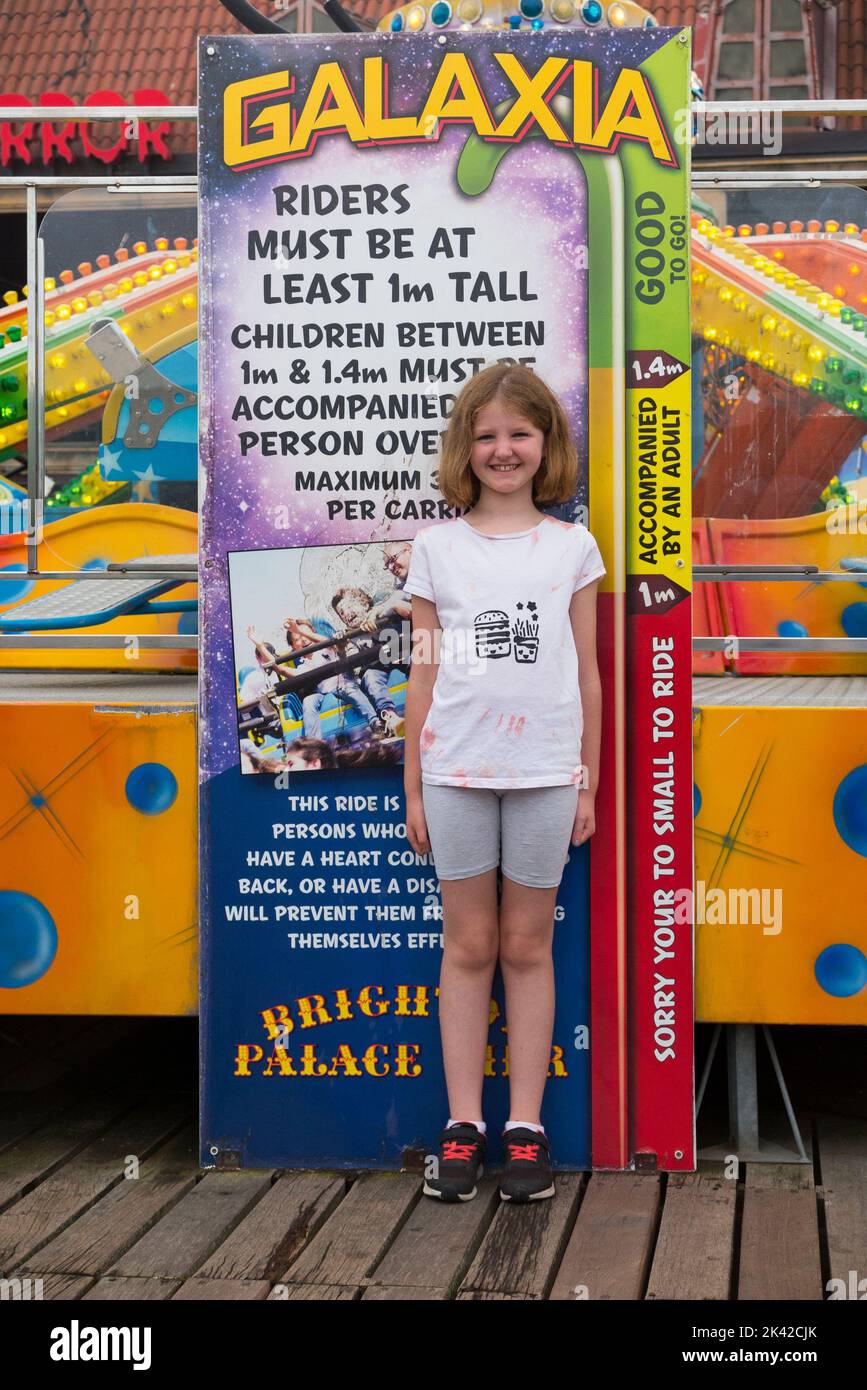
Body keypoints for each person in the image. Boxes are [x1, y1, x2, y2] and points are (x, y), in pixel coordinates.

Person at [402, 363, 605, 1205]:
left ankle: (523, 1127)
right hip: (453, 773)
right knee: (469, 946)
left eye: (519, 433)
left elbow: (587, 672)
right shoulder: (436, 548)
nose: (502, 449)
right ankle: (461, 1125)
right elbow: (420, 673)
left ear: (545, 444)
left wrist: (585, 781)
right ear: (464, 449)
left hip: (544, 775)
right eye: (485, 436)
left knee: (526, 947)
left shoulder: (571, 548)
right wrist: (414, 786)